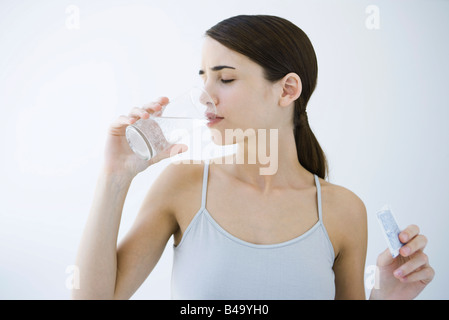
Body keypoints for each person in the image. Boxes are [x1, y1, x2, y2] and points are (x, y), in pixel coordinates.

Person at [73, 15, 434, 300]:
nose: (204, 96)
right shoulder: (183, 185)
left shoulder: (344, 211)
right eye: (204, 79)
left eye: (225, 79)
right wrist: (114, 177)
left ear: (287, 89)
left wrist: (388, 297)